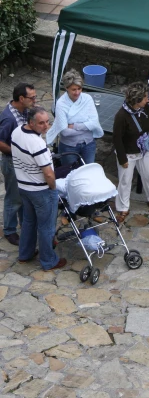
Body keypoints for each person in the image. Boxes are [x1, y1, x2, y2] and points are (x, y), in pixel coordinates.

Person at [12, 107, 67, 271]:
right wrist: (53, 189)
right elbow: (49, 174)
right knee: (46, 227)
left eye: (47, 122)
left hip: (23, 186)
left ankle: (25, 254)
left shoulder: (17, 132)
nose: (46, 126)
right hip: (41, 191)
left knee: (28, 221)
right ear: (31, 122)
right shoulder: (37, 144)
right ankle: (49, 261)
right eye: (41, 123)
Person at [113, 82, 149, 223]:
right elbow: (117, 139)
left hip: (144, 150)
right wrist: (122, 159)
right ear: (137, 100)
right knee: (125, 181)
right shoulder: (121, 116)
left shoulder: (146, 108)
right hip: (128, 153)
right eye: (145, 97)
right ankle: (123, 208)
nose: (148, 100)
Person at [0, 82, 36, 245]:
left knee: (23, 195)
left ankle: (24, 224)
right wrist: (17, 152)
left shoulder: (24, 110)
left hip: (22, 162)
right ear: (21, 98)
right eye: (32, 97)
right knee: (13, 198)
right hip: (12, 163)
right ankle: (9, 230)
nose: (34, 100)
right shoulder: (8, 118)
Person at [47, 69, 103, 164]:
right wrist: (86, 127)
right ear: (66, 88)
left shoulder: (87, 99)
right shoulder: (61, 104)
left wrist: (74, 126)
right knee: (70, 174)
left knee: (89, 172)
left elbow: (94, 123)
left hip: (88, 144)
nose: (77, 92)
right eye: (73, 89)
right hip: (68, 146)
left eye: (79, 89)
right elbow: (64, 132)